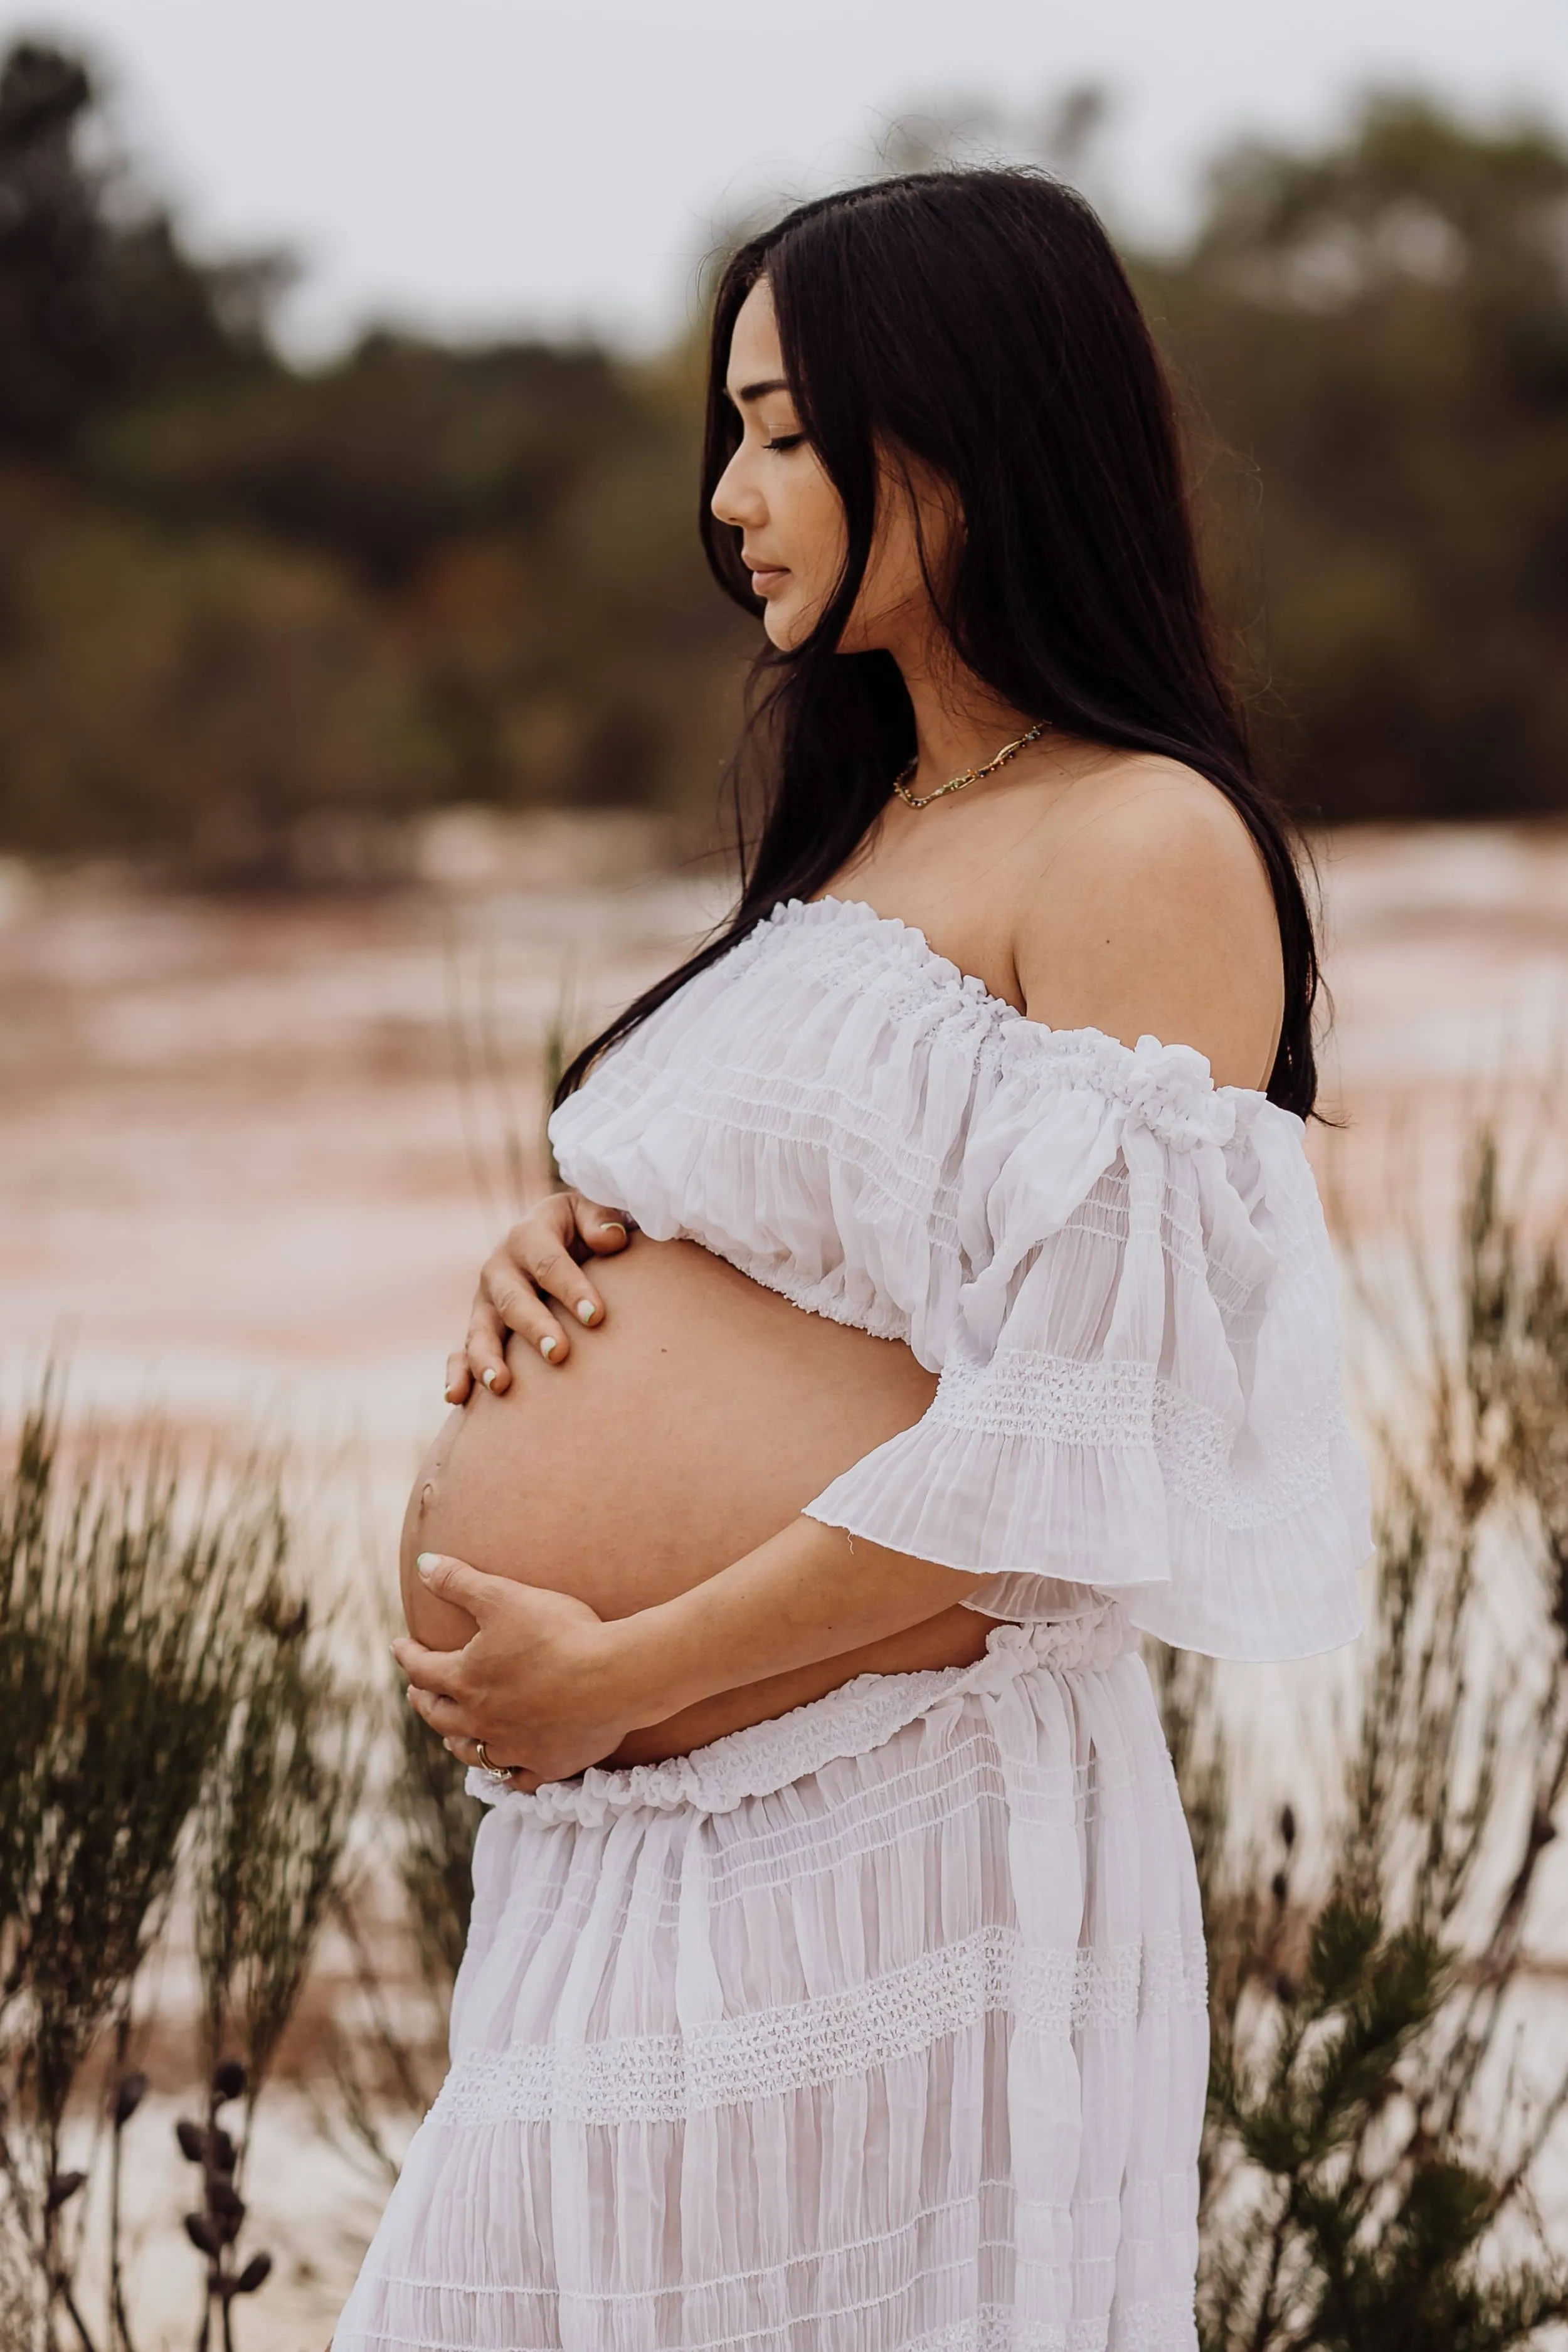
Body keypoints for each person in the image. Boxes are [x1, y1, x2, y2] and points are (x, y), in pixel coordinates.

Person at [334, 168, 1368, 2352]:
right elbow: (809, 1254)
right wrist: (564, 1254)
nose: (731, 494)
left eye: (789, 430)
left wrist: (628, 1665)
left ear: (972, 426)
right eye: (731, 431)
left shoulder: (1139, 839)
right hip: (651, 1837)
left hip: (891, 1830)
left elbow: (1070, 1440)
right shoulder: (876, 814)